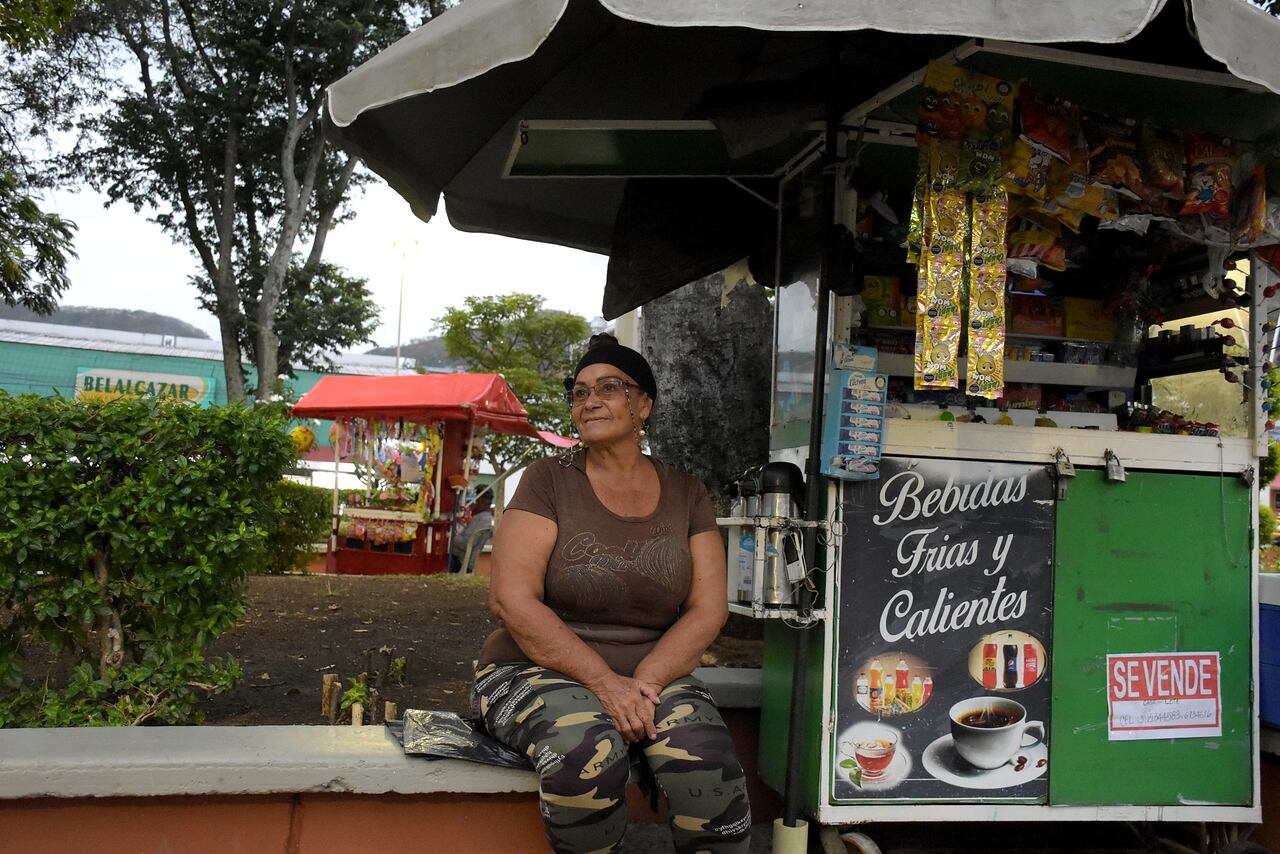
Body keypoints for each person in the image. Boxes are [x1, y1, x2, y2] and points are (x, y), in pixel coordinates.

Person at [472, 334, 751, 854]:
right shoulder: (546, 481)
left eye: (608, 388)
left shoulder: (688, 492)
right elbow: (511, 599)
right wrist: (605, 684)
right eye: (578, 392)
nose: (589, 401)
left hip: (653, 674)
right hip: (534, 667)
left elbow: (707, 607)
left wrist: (643, 681)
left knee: (706, 759)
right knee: (586, 752)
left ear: (643, 404)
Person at [449, 491, 493, 573]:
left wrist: (452, 538)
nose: (475, 503)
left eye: (477, 500)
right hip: (466, 559)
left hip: (460, 560)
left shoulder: (482, 519)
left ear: (483, 501)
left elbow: (466, 543)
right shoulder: (485, 517)